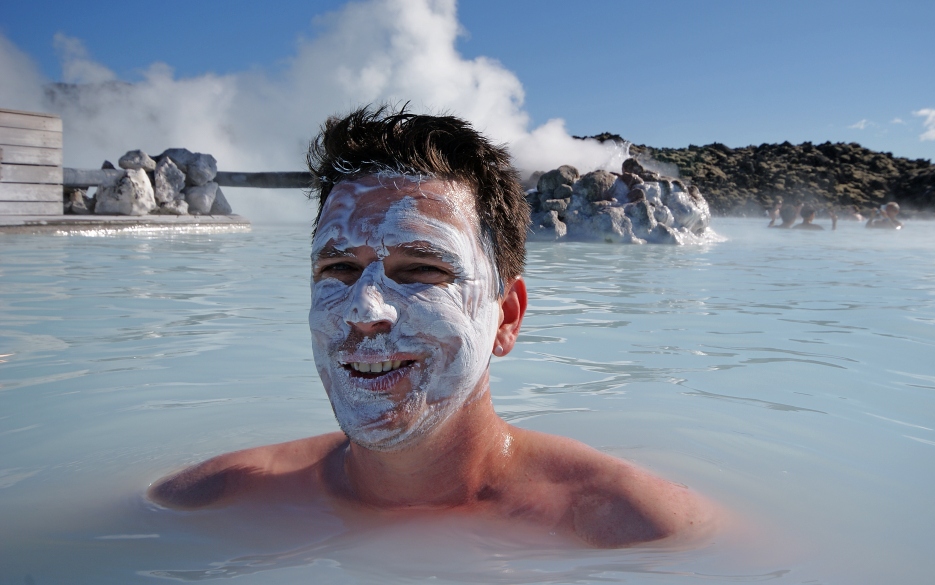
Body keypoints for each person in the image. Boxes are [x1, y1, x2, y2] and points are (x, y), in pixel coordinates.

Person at [148, 106, 717, 548]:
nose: (363, 309)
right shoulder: (214, 500)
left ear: (507, 317)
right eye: (338, 269)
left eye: (420, 269)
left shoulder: (637, 528)